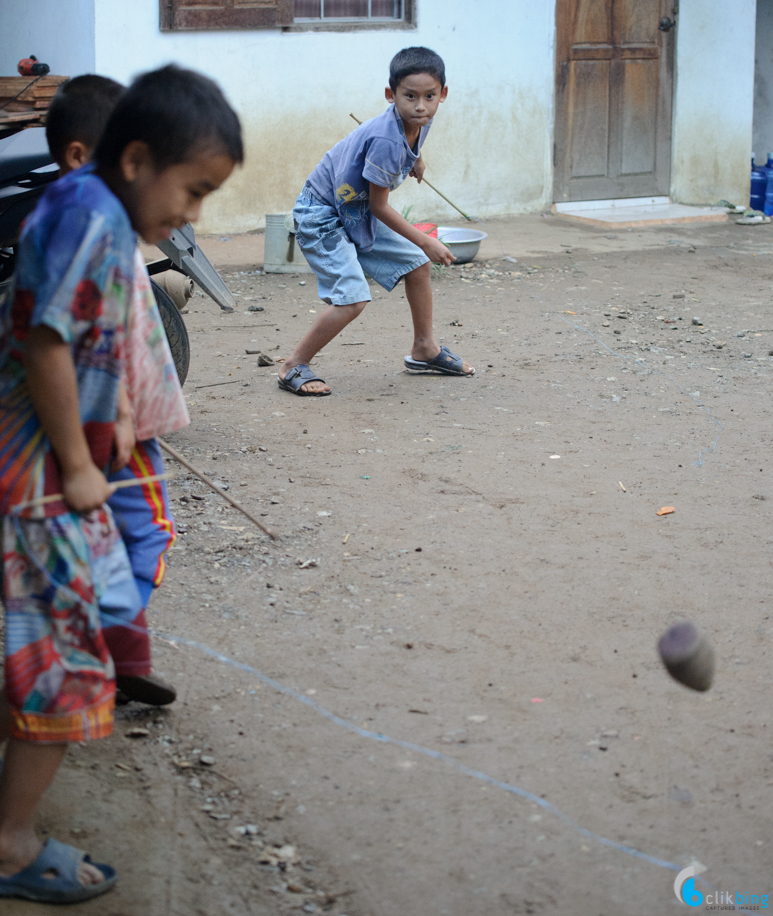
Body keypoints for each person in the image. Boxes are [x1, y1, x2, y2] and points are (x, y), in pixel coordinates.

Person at [0, 65, 242, 903]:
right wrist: (76, 466)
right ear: (136, 159)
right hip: (38, 487)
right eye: (194, 190)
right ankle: (8, 845)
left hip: (39, 480)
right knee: (64, 667)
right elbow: (46, 341)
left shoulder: (80, 207)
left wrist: (115, 429)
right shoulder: (94, 221)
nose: (192, 215)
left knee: (44, 640)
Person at [46, 74, 188, 708]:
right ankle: (97, 652)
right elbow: (72, 344)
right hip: (114, 426)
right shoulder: (90, 232)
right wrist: (126, 412)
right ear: (83, 157)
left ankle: (113, 653)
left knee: (118, 541)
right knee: (145, 536)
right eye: (136, 161)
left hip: (118, 421)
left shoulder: (105, 226)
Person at [278, 46, 474, 396]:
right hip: (322, 214)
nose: (420, 106)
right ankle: (293, 364)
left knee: (417, 265)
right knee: (352, 298)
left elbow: (405, 147)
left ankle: (424, 350)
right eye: (409, 96)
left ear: (442, 95)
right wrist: (425, 239)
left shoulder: (418, 121)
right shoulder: (386, 138)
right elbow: (381, 206)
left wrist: (417, 159)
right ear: (391, 95)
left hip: (354, 208)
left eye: (429, 96)